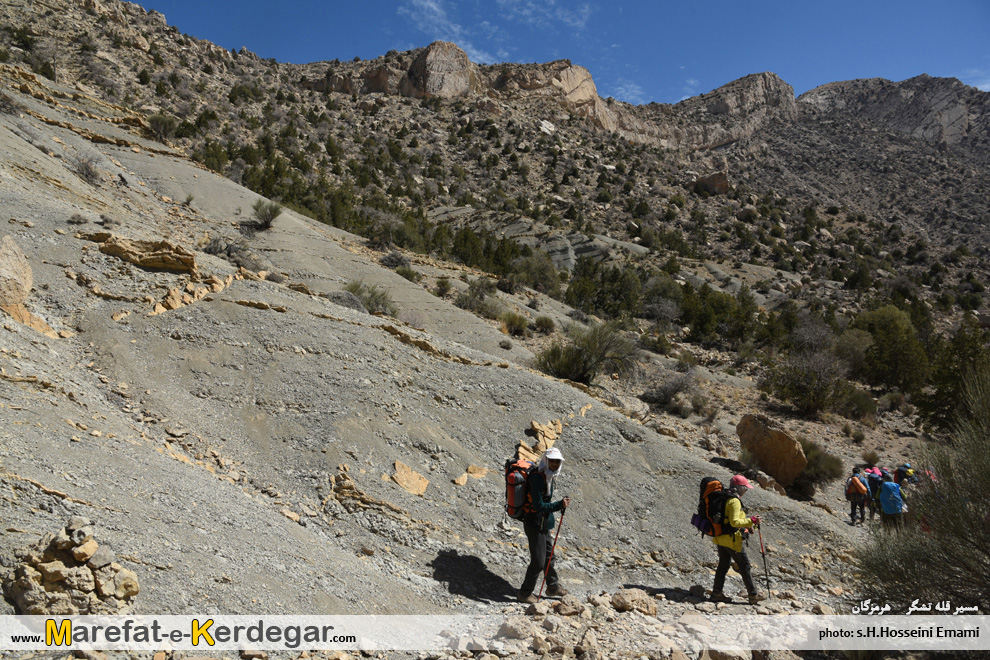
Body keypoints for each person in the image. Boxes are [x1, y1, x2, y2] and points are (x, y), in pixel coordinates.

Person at [518, 447, 571, 603]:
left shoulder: (548, 476)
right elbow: (539, 505)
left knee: (549, 556)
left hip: (543, 523)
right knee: (539, 561)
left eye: (557, 462)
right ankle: (525, 593)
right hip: (534, 524)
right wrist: (558, 505)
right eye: (552, 461)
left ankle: (552, 586)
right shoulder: (537, 478)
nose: (555, 464)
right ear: (546, 461)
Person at [710, 475, 765, 605]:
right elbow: (735, 522)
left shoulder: (724, 496)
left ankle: (716, 593)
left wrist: (748, 524)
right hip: (732, 540)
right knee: (744, 565)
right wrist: (751, 521)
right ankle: (753, 595)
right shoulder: (734, 501)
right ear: (740, 488)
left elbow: (730, 518)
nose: (746, 491)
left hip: (721, 538)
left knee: (723, 565)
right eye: (745, 488)